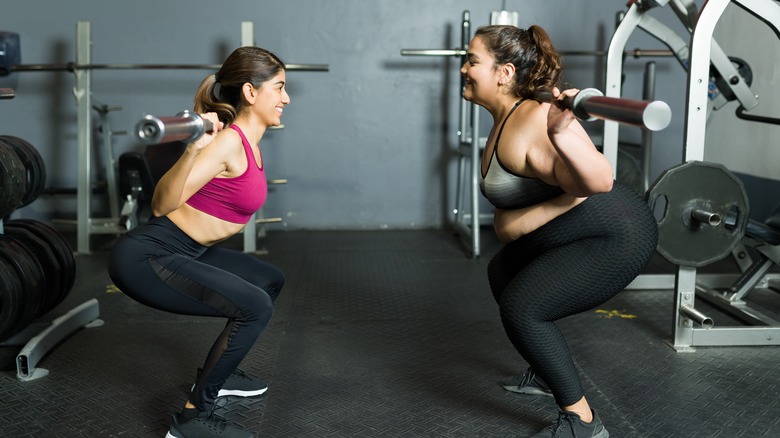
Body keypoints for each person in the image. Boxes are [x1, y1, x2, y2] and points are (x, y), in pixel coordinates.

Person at [460, 25, 658, 437]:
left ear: (504, 73)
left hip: (615, 232)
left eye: (472, 61)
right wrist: (518, 222)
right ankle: (548, 371)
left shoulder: (535, 119)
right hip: (578, 226)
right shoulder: (505, 117)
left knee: (523, 308)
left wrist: (561, 131)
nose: (464, 68)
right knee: (503, 271)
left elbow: (600, 180)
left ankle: (582, 421)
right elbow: (523, 213)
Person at [108, 46, 289, 438]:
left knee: (268, 281)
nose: (286, 98)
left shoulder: (249, 142)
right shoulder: (227, 143)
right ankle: (192, 419)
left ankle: (220, 375)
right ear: (251, 92)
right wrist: (194, 148)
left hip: (190, 249)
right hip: (148, 255)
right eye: (279, 88)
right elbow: (160, 205)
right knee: (255, 307)